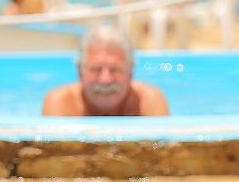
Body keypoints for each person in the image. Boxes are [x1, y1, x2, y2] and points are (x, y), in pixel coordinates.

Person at [41, 24, 170, 116]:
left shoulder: (149, 102)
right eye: (96, 69)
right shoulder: (61, 104)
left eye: (115, 70)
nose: (105, 80)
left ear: (130, 72)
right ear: (80, 71)